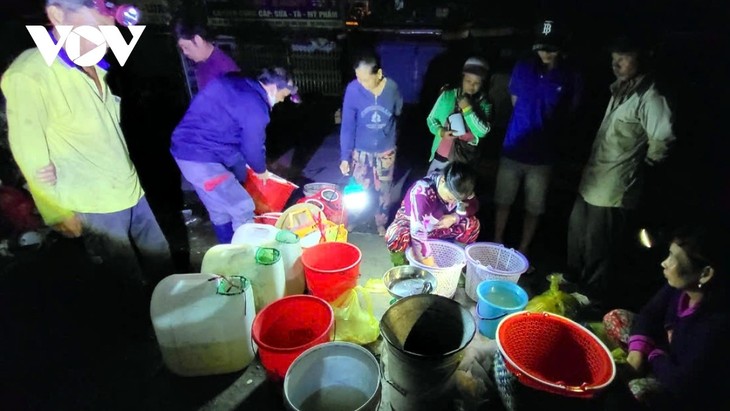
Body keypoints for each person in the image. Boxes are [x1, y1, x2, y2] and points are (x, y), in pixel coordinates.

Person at [1, 0, 172, 317]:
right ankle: (142, 343)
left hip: (130, 190)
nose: (105, 41)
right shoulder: (31, 73)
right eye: (97, 29)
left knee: (161, 262)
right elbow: (27, 147)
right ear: (56, 15)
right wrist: (55, 212)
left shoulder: (91, 63)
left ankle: (177, 320)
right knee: (126, 282)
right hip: (94, 205)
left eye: (109, 32)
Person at [566, 35, 675, 307]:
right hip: (594, 179)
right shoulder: (622, 89)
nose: (617, 64)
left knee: (599, 245)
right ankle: (572, 281)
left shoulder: (651, 96)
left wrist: (646, 163)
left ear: (641, 58)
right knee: (578, 233)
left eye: (623, 58)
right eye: (614, 59)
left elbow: (663, 136)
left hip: (615, 185)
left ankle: (591, 296)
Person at [602, 223, 730, 411]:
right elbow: (649, 314)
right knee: (615, 317)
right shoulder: (680, 288)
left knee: (635, 390)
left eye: (674, 258)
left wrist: (654, 355)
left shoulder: (715, 324)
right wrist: (637, 356)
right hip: (664, 354)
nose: (664, 263)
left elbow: (682, 382)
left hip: (684, 389)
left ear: (705, 274)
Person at [170, 68, 299, 244]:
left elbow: (228, 131)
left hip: (187, 153)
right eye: (284, 94)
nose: (282, 99)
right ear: (274, 87)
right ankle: (245, 256)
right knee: (242, 207)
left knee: (220, 210)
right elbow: (252, 146)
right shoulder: (255, 106)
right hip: (203, 159)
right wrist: (261, 170)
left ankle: (227, 251)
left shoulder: (237, 83)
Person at [493, 20, 582, 260]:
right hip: (513, 148)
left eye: (551, 48)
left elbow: (570, 112)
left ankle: (524, 249)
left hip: (543, 157)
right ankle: (497, 241)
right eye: (542, 47)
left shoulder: (569, 76)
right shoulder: (523, 67)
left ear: (562, 48)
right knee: (503, 201)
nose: (545, 53)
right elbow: (514, 100)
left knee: (534, 207)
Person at [339, 49, 403, 236]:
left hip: (386, 151)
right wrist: (345, 157)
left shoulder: (392, 88)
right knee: (357, 189)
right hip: (361, 151)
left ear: (379, 74)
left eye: (366, 79)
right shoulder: (353, 90)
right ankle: (354, 219)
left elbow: (398, 110)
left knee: (384, 191)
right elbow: (348, 126)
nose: (361, 83)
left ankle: (380, 223)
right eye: (358, 77)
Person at [385, 162, 480, 266]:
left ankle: (456, 262)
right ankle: (404, 267)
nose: (453, 203)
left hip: (439, 227)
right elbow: (418, 234)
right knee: (395, 236)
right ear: (443, 180)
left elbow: (473, 204)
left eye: (457, 200)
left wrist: (454, 217)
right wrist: (433, 268)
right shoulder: (422, 192)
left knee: (472, 225)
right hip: (413, 226)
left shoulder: (461, 188)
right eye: (450, 198)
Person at [426, 57, 493, 174]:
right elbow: (431, 119)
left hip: (464, 162)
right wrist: (441, 132)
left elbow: (483, 131)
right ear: (462, 78)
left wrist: (467, 109)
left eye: (477, 83)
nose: (472, 86)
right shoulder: (447, 96)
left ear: (483, 83)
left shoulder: (485, 104)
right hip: (440, 157)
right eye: (468, 81)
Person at [174, 13, 240, 91]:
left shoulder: (224, 68)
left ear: (198, 40)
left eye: (186, 47)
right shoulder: (202, 63)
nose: (185, 52)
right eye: (181, 48)